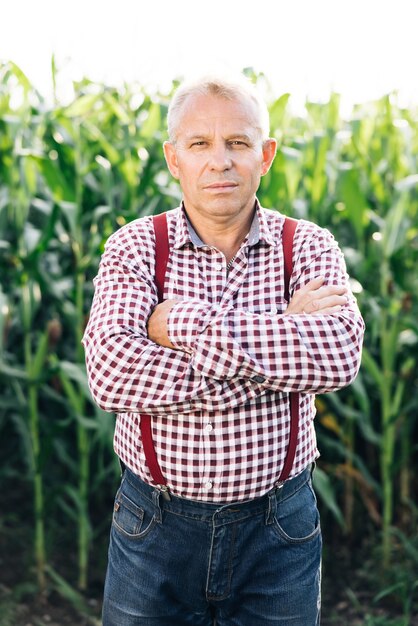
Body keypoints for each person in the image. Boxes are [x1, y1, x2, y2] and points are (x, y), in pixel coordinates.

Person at [82, 74, 364, 626]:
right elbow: (112, 375)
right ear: (172, 158)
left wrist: (178, 323)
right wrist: (279, 335)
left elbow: (338, 357)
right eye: (199, 144)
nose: (220, 161)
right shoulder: (136, 246)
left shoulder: (307, 244)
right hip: (154, 528)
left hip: (278, 528)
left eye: (238, 143)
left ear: (266, 155)